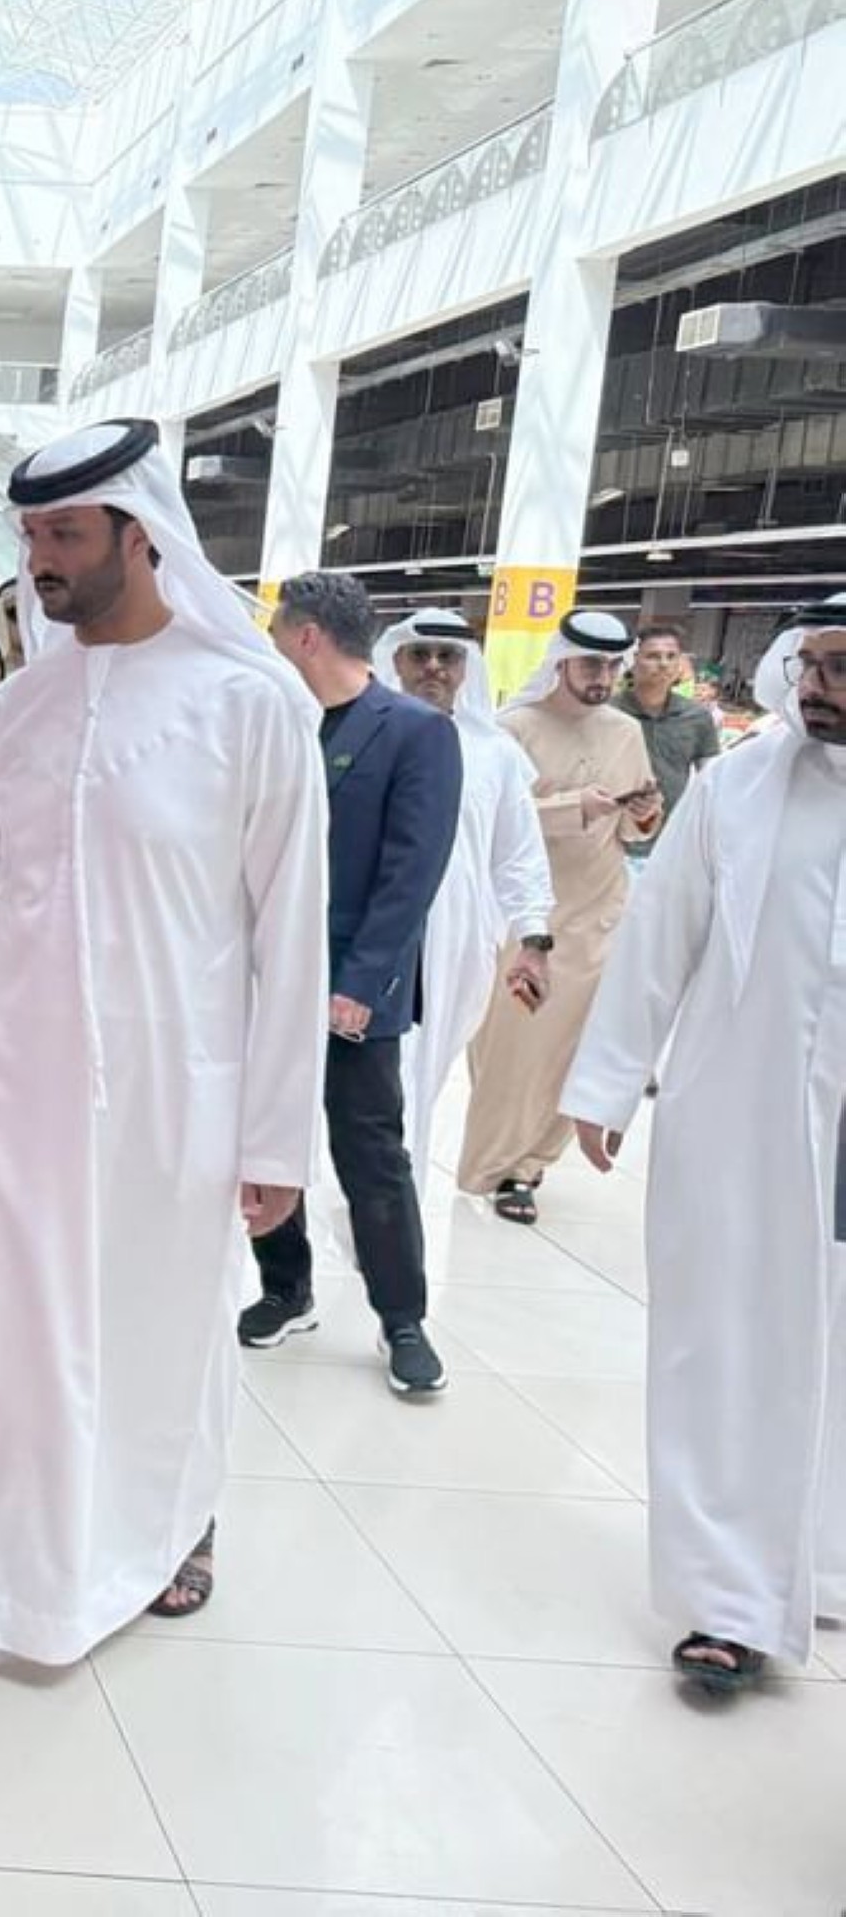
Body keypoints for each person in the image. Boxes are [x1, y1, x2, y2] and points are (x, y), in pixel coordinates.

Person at [0, 419, 326, 1681]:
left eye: (63, 535)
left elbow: (288, 938)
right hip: (18, 1085)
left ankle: (164, 1530)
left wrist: (274, 1137)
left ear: (139, 537)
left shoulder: (249, 707)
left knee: (155, 1328)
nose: (36, 561)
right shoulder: (16, 711)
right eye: (28, 535)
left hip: (172, 1098)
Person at [561, 602, 846, 1696]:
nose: (816, 685)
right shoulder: (735, 791)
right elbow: (659, 932)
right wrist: (601, 1084)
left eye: (838, 669)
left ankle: (819, 1562)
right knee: (723, 1347)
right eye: (809, 664)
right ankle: (723, 1599)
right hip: (739, 1119)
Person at [240, 574, 462, 1395]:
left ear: (306, 638)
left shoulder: (413, 732)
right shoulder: (276, 722)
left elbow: (412, 873)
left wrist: (362, 982)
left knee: (370, 1152)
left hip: (350, 986)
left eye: (277, 633)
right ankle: (284, 1287)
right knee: (266, 1133)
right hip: (266, 975)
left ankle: (402, 1318)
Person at [458, 611, 661, 1224]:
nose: (602, 676)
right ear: (562, 661)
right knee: (514, 1049)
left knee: (573, 1049)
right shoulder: (513, 728)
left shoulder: (625, 731)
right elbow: (495, 820)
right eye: (591, 664)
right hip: (528, 918)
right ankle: (493, 1161)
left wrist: (645, 812)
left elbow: (631, 827)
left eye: (611, 666)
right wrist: (575, 805)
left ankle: (529, 1166)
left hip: (598, 914)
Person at [373, 611, 555, 1177]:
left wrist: (533, 939)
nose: (433, 667)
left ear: (465, 668)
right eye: (420, 654)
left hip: (459, 939)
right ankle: (370, 1197)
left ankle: (400, 1187)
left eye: (447, 656)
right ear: (395, 661)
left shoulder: (494, 753)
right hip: (374, 934)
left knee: (424, 1074)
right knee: (380, 1074)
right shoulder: (364, 734)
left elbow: (517, 853)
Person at [616, 621, 720, 858]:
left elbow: (711, 778)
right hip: (614, 840)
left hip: (671, 843)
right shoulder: (609, 713)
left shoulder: (697, 716)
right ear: (633, 660)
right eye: (653, 656)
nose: (663, 664)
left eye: (671, 656)